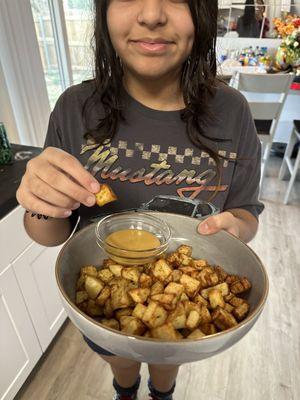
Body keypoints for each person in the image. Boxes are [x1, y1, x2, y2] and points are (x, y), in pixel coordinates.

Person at [16, 1, 264, 399]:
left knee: (167, 362)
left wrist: (235, 227)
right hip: (103, 314)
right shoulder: (74, 109)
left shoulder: (232, 112)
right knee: (121, 357)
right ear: (104, 12)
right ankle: (124, 390)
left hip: (186, 302)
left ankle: (161, 393)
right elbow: (49, 234)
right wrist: (41, 203)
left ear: (202, 12)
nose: (151, 15)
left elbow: (247, 215)